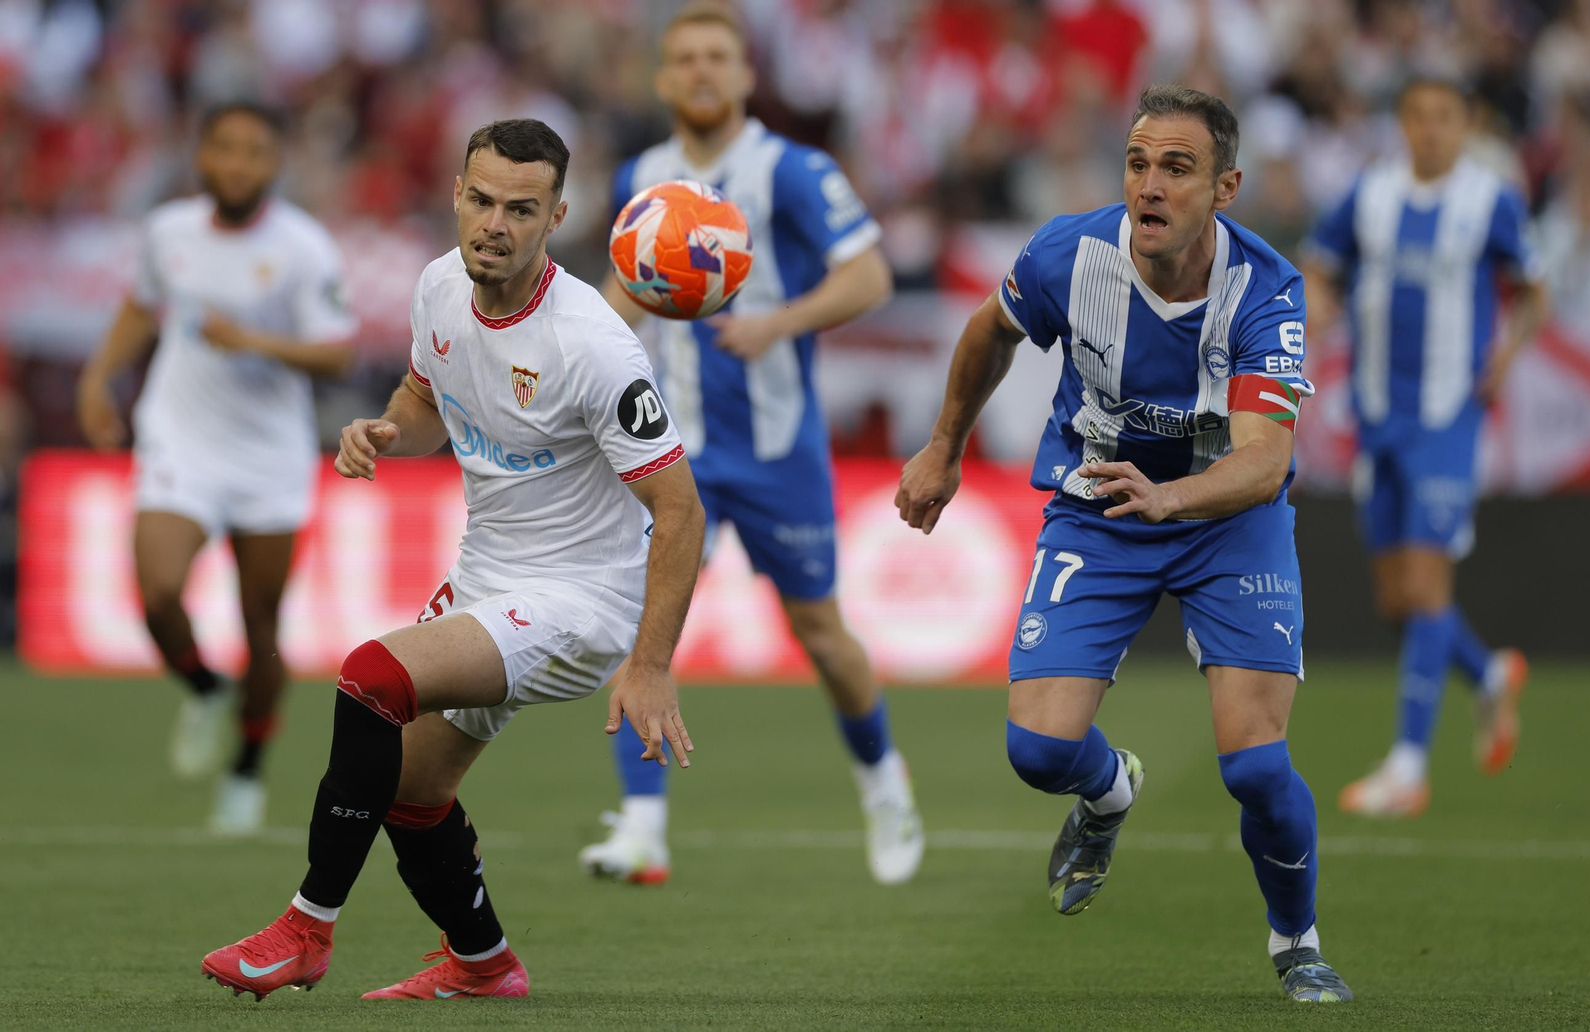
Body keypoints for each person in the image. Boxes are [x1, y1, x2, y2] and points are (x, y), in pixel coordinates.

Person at [200, 118, 704, 1001]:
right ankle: (482, 964)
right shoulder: (438, 287)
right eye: (480, 200)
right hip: (488, 578)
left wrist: (651, 662)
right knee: (411, 790)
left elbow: (681, 512)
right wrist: (389, 433)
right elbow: (427, 397)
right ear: (457, 195)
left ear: (556, 217)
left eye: (520, 208)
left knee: (369, 676)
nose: (493, 223)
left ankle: (306, 929)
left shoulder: (592, 345)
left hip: (580, 599)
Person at [897, 84, 1352, 1003]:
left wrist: (1175, 495)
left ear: (1225, 188)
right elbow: (991, 331)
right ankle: (1109, 791)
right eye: (1138, 163)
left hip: (1227, 520)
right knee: (1037, 755)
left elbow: (1264, 462)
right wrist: (944, 447)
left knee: (1258, 767)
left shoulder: (1265, 290)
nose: (1149, 185)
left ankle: (1296, 940)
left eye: (1176, 169)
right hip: (1101, 506)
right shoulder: (1069, 253)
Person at [582, 3, 922, 887]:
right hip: (669, 449)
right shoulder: (642, 174)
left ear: (744, 75)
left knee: (820, 630)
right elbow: (627, 289)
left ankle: (885, 783)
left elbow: (871, 274)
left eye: (716, 57)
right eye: (684, 57)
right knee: (642, 624)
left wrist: (778, 324)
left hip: (776, 449)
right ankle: (643, 824)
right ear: (663, 78)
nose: (700, 71)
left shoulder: (793, 171)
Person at [75, 102, 356, 835]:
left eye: (254, 152)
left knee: (262, 627)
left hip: (267, 455)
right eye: (224, 149)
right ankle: (203, 686)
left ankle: (246, 770)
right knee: (159, 591)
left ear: (275, 164)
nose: (237, 164)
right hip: (180, 439)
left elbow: (338, 350)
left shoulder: (303, 247)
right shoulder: (169, 231)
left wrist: (257, 342)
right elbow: (142, 307)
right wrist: (98, 377)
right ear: (202, 156)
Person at [1302, 77, 1545, 818]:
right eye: (1419, 117)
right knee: (1397, 600)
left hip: (1447, 416)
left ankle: (1408, 768)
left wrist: (1504, 357)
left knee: (1427, 587)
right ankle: (1490, 673)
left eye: (1446, 117)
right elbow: (1318, 262)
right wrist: (1319, 300)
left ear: (1466, 124)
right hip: (1378, 415)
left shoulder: (1489, 199)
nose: (1432, 130)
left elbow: (1532, 289)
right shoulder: (1370, 194)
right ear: (1402, 123)